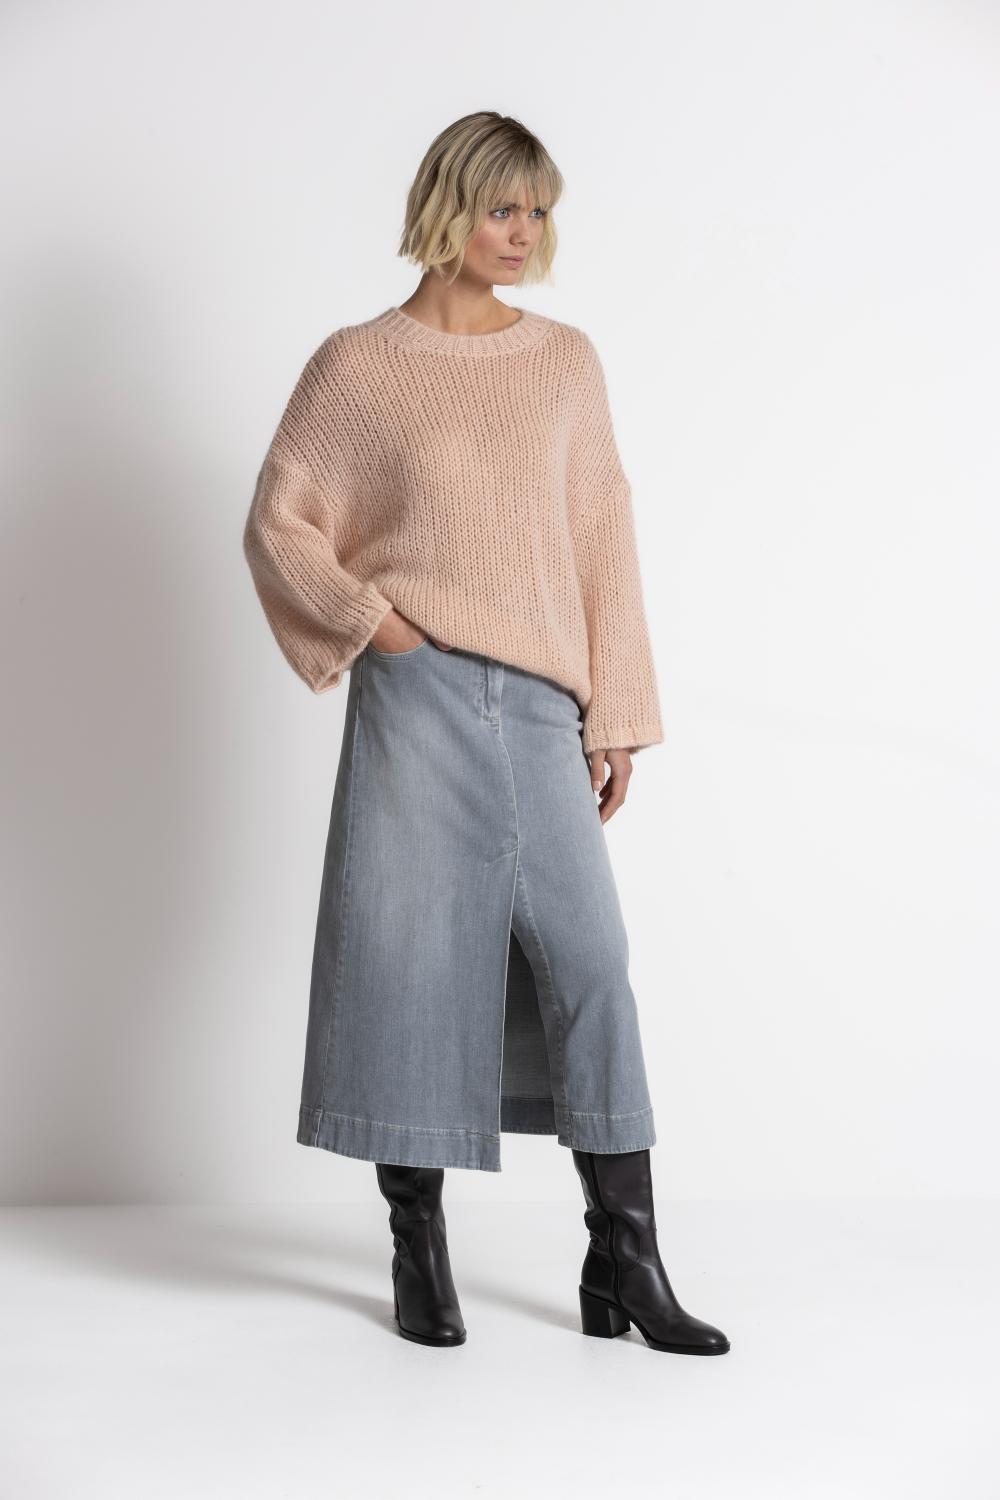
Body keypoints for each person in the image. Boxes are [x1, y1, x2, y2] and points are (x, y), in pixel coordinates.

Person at [243, 110, 730, 1357]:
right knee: (408, 962)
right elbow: (281, 521)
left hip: (542, 709)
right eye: (502, 208)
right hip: (415, 702)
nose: (523, 233)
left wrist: (616, 712)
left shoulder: (564, 363)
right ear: (448, 208)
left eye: (538, 211)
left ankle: (624, 1257)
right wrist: (380, 627)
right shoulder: (359, 366)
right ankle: (416, 1244)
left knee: (591, 965)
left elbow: (601, 533)